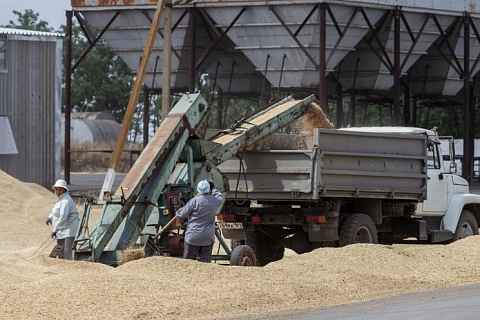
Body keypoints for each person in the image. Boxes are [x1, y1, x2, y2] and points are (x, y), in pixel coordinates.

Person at [175, 180, 224, 263]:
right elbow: (220, 197)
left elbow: (180, 215)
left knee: (188, 264)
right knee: (205, 265)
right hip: (207, 238)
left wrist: (178, 211)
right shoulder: (213, 201)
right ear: (208, 189)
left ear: (198, 189)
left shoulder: (194, 201)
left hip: (193, 237)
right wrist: (214, 189)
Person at [45, 179, 80, 260]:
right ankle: (62, 267)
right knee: (60, 251)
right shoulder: (60, 199)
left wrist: (54, 230)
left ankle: (70, 267)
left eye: (60, 189)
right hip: (61, 229)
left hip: (69, 230)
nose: (57, 191)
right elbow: (56, 211)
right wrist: (49, 217)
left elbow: (63, 216)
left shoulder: (66, 201)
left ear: (64, 190)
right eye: (56, 189)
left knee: (67, 251)